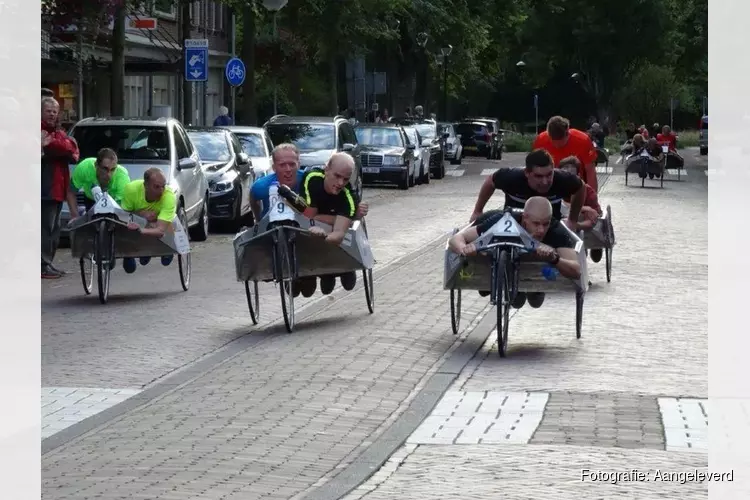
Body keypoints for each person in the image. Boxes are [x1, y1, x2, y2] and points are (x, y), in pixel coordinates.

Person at [449, 197, 581, 309]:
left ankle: (531, 291)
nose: (541, 230)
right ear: (525, 219)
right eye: (536, 224)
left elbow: (576, 270)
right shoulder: (501, 221)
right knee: (487, 288)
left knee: (535, 302)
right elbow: (456, 239)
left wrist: (554, 258)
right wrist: (464, 250)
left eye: (545, 224)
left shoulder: (556, 231)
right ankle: (498, 282)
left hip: (535, 271)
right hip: (493, 234)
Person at [469, 148, 586, 231]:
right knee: (487, 219)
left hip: (549, 227)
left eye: (549, 175)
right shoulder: (511, 177)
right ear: (527, 173)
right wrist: (478, 210)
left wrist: (572, 219)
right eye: (538, 176)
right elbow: (490, 181)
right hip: (512, 224)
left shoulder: (563, 179)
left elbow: (581, 187)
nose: (545, 182)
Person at [298, 153, 362, 297]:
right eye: (337, 176)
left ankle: (342, 269)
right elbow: (308, 218)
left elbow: (339, 233)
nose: (340, 183)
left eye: (345, 179)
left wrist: (323, 234)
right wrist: (332, 219)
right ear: (326, 170)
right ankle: (309, 275)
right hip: (313, 227)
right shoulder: (312, 178)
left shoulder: (348, 197)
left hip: (330, 237)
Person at [41, 96, 80, 279]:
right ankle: (42, 265)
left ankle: (48, 263)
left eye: (54, 112)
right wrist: (65, 147)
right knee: (45, 228)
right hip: (45, 187)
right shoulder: (39, 130)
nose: (52, 115)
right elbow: (61, 148)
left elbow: (72, 149)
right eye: (48, 111)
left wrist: (63, 146)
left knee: (54, 228)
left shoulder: (56, 132)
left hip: (57, 188)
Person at [120, 168, 177, 274]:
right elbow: (123, 216)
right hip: (138, 220)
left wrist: (140, 230)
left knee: (163, 226)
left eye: (163, 186)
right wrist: (140, 214)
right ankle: (129, 255)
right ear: (145, 185)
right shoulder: (131, 189)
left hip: (160, 225)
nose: (161, 191)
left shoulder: (168, 196)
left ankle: (166, 249)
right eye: (156, 187)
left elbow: (160, 230)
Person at [532, 115, 598, 192]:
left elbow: (590, 172)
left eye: (561, 143)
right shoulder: (540, 141)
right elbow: (534, 170)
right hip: (550, 187)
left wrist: (591, 197)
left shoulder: (583, 140)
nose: (556, 146)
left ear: (567, 134)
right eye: (553, 141)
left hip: (575, 188)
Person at [558, 156, 604, 263]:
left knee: (587, 219)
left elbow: (592, 218)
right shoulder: (553, 188)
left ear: (578, 176)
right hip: (563, 219)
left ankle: (594, 247)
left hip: (583, 220)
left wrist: (577, 225)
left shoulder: (588, 192)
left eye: (571, 176)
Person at [67, 148, 131, 220]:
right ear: (96, 165)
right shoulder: (84, 167)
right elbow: (70, 192)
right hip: (91, 200)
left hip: (115, 203)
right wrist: (75, 217)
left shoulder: (122, 176)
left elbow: (122, 208)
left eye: (113, 169)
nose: (109, 175)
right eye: (105, 169)